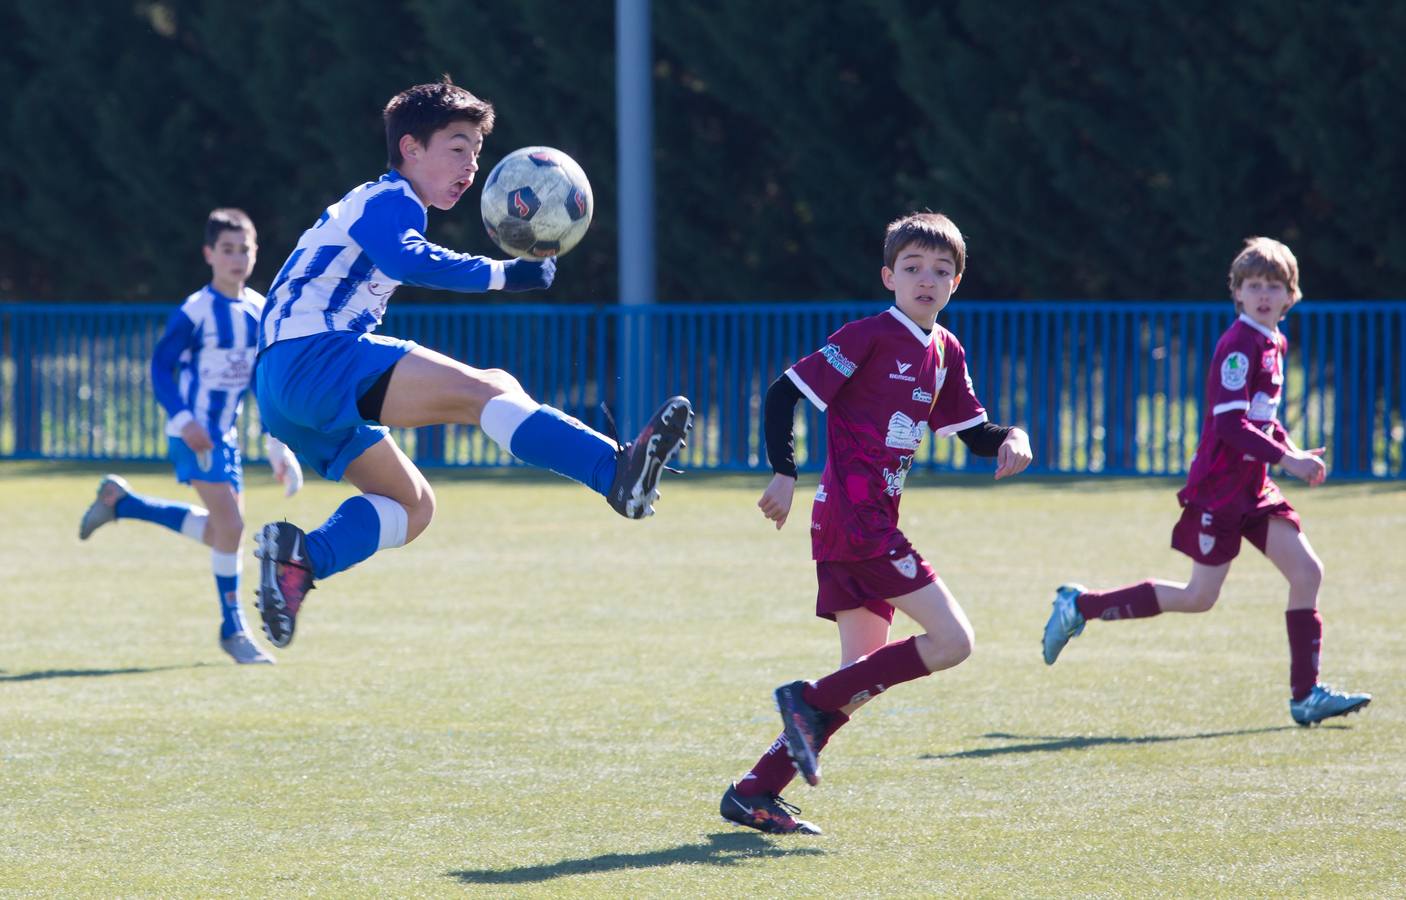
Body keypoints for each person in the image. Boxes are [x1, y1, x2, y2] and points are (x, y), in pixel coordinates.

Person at [251, 78, 692, 649]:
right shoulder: (386, 199)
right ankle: (615, 472)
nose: (471, 166)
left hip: (287, 387)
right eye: (458, 148)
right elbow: (404, 259)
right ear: (410, 148)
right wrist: (503, 273)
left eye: (477, 154)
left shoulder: (389, 205)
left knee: (412, 505)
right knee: (484, 392)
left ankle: (301, 558)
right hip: (313, 357)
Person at [719, 212, 1033, 835]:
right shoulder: (868, 335)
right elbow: (784, 392)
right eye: (912, 268)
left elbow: (972, 433)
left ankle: (754, 791)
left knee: (854, 682)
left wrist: (1013, 436)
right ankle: (802, 702)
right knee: (953, 642)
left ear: (955, 284)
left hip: (859, 526)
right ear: (888, 276)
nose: (926, 280)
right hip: (857, 525)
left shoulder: (944, 350)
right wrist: (783, 471)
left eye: (941, 271)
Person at [1041, 237, 1371, 727]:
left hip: (1253, 488)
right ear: (1236, 293)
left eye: (1273, 285)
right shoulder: (1240, 345)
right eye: (1252, 284)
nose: (1262, 293)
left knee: (1307, 573)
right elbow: (1230, 426)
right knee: (1199, 597)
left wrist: (1290, 450)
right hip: (1221, 486)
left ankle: (1306, 695)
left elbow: (1260, 418)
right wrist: (1286, 460)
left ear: (1290, 296)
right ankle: (1081, 605)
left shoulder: (1274, 342)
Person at [80, 208, 302, 665]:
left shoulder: (261, 311)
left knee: (219, 532)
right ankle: (233, 628)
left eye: (245, 249)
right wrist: (184, 421)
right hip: (195, 434)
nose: (237, 258)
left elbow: (267, 383)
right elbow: (161, 367)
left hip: (227, 438)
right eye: (227, 249)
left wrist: (278, 445)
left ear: (255, 253)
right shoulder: (195, 311)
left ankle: (122, 502)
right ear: (208, 255)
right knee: (232, 529)